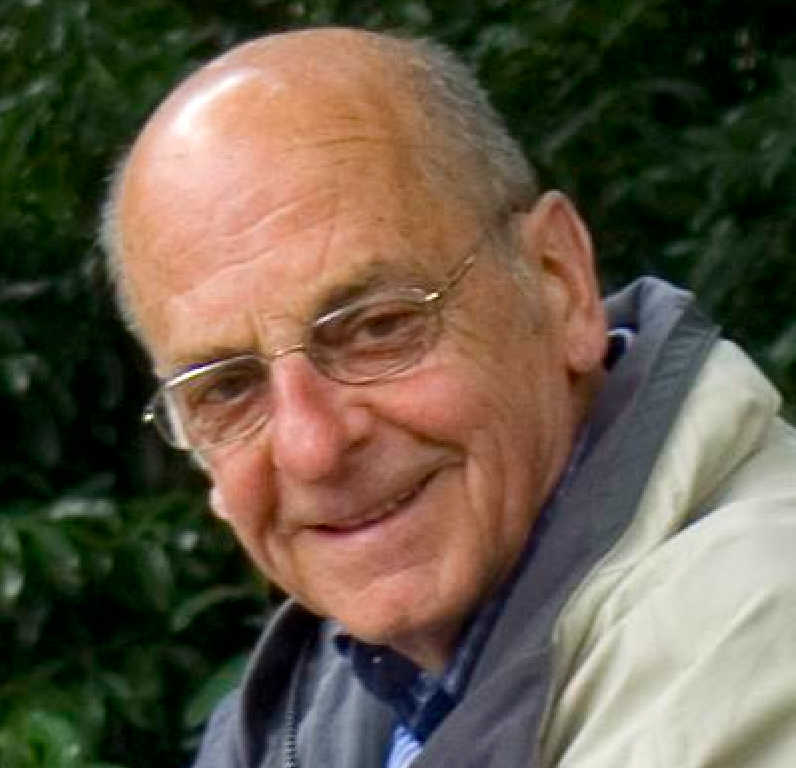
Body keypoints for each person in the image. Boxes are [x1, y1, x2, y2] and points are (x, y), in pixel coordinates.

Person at [101, 27, 796, 768]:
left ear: (558, 284)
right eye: (228, 388)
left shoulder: (753, 618)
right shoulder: (327, 691)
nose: (312, 447)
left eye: (377, 328)